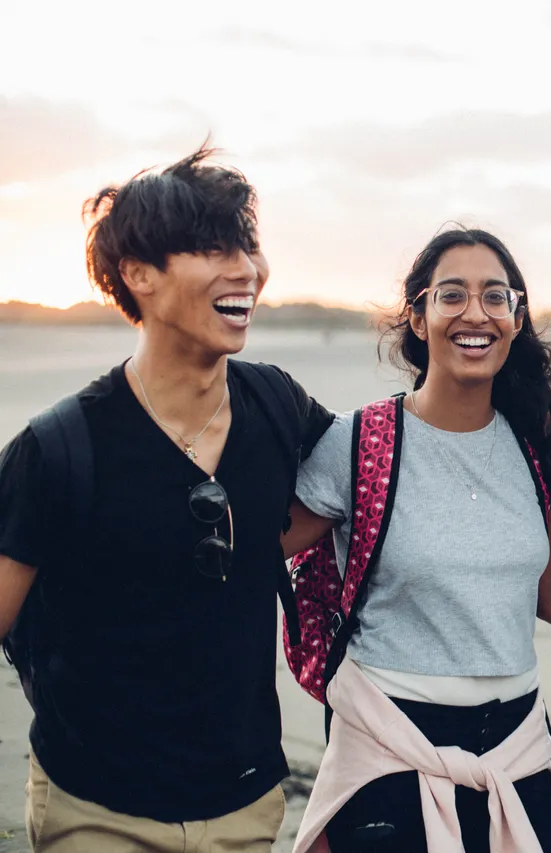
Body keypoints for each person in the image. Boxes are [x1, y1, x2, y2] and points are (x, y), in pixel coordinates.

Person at [0, 146, 334, 852]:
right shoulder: (59, 447)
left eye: (246, 245)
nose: (245, 267)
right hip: (97, 809)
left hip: (245, 806)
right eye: (213, 247)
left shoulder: (277, 406)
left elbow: (364, 479)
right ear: (138, 275)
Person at [283, 227, 551, 853]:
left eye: (495, 297)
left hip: (518, 755)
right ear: (419, 318)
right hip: (389, 752)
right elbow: (253, 553)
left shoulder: (536, 451)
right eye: (452, 295)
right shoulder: (359, 442)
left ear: (516, 318)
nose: (475, 313)